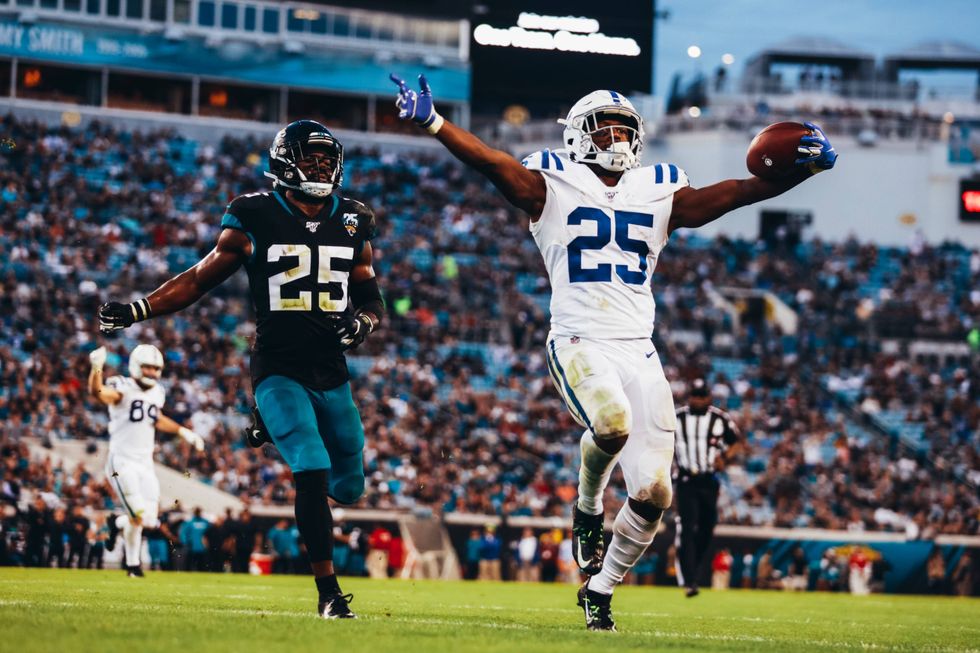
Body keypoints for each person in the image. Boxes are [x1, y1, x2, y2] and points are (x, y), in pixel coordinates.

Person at [390, 75, 837, 631]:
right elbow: (493, 164)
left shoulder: (658, 189)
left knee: (654, 493)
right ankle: (587, 506)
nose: (620, 137)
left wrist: (800, 171)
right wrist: (435, 123)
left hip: (638, 349)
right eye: (608, 127)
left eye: (627, 127)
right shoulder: (552, 182)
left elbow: (742, 191)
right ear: (580, 134)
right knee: (612, 422)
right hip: (579, 339)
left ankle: (599, 590)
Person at [97, 120, 384, 618]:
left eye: (325, 160)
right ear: (283, 162)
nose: (320, 168)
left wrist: (364, 322)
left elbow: (368, 292)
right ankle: (328, 594)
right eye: (310, 159)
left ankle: (267, 427)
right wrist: (140, 309)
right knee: (311, 471)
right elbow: (199, 278)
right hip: (278, 366)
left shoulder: (356, 218)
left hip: (331, 369)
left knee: (349, 485)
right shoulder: (253, 213)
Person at [88, 343, 205, 577]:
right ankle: (133, 566)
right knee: (138, 514)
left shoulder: (157, 392)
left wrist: (183, 432)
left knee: (149, 520)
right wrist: (97, 368)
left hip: (145, 463)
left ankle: (116, 525)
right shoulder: (123, 386)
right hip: (122, 461)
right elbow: (98, 393)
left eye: (155, 368)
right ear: (135, 366)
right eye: (147, 367)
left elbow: (156, 418)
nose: (151, 372)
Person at [673, 378, 740, 597]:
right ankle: (690, 579)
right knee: (687, 527)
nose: (698, 399)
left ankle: (695, 569)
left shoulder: (719, 418)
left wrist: (725, 458)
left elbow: (736, 441)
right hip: (686, 479)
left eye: (702, 395)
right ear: (689, 396)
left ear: (708, 397)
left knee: (707, 526)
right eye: (694, 395)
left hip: (709, 479)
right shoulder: (677, 417)